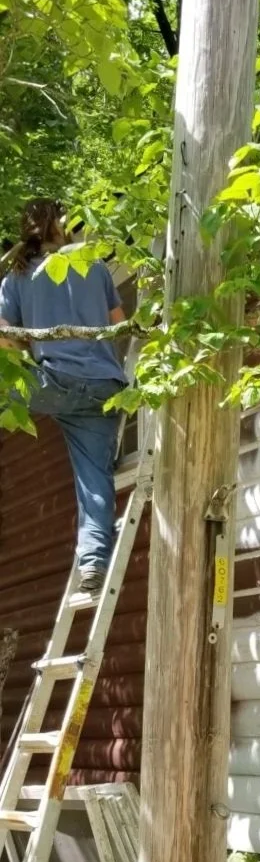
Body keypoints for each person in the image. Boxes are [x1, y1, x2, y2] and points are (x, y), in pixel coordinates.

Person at [0, 199, 128, 595]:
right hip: (104, 388)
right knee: (94, 480)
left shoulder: (16, 278)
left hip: (52, 385)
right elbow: (119, 326)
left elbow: (5, 339)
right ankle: (92, 563)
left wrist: (28, 347)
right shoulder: (93, 264)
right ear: (63, 224)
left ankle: (93, 563)